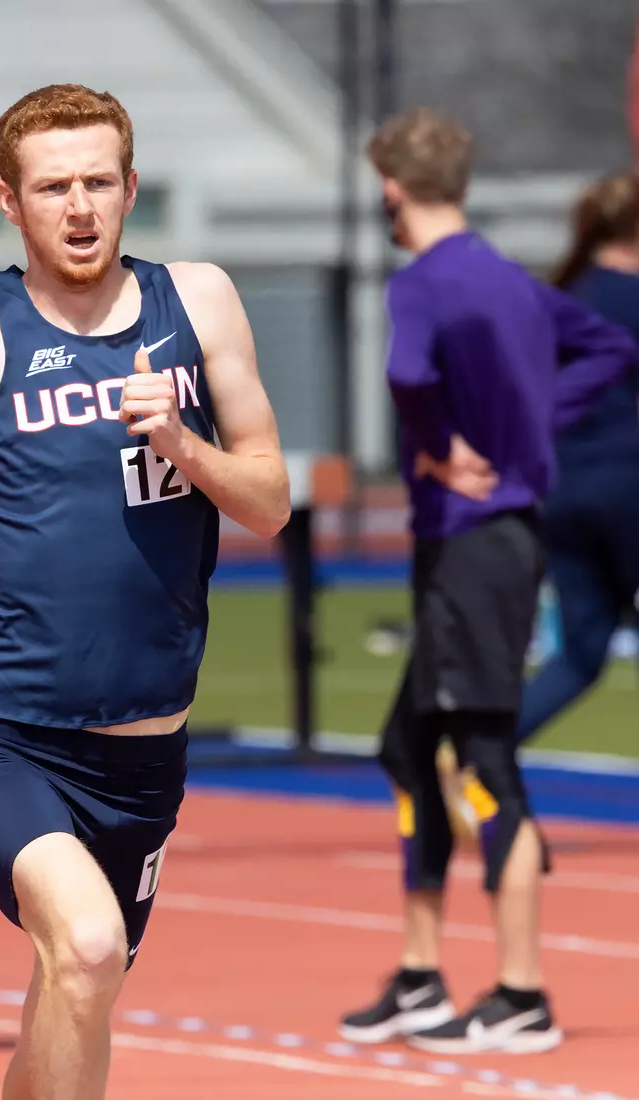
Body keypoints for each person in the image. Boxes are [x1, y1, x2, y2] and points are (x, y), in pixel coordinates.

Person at [0, 84, 290, 1100]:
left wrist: (182, 443)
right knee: (84, 946)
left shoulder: (198, 301)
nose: (78, 207)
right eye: (52, 187)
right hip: (6, 739)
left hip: (147, 757)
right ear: (9, 201)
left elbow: (271, 499)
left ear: (128, 189)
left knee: (71, 996)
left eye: (97, 183)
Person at [339, 108, 635, 1055]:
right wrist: (527, 425)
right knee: (406, 747)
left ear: (392, 188)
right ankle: (424, 976)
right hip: (481, 544)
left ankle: (522, 993)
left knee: (479, 761)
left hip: (477, 545)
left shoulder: (426, 282)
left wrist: (441, 447)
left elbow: (406, 371)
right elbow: (612, 351)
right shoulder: (507, 278)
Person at [514, 174, 639, 743]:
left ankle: (481, 753)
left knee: (580, 654)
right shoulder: (631, 298)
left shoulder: (558, 298)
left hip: (561, 490)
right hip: (626, 486)